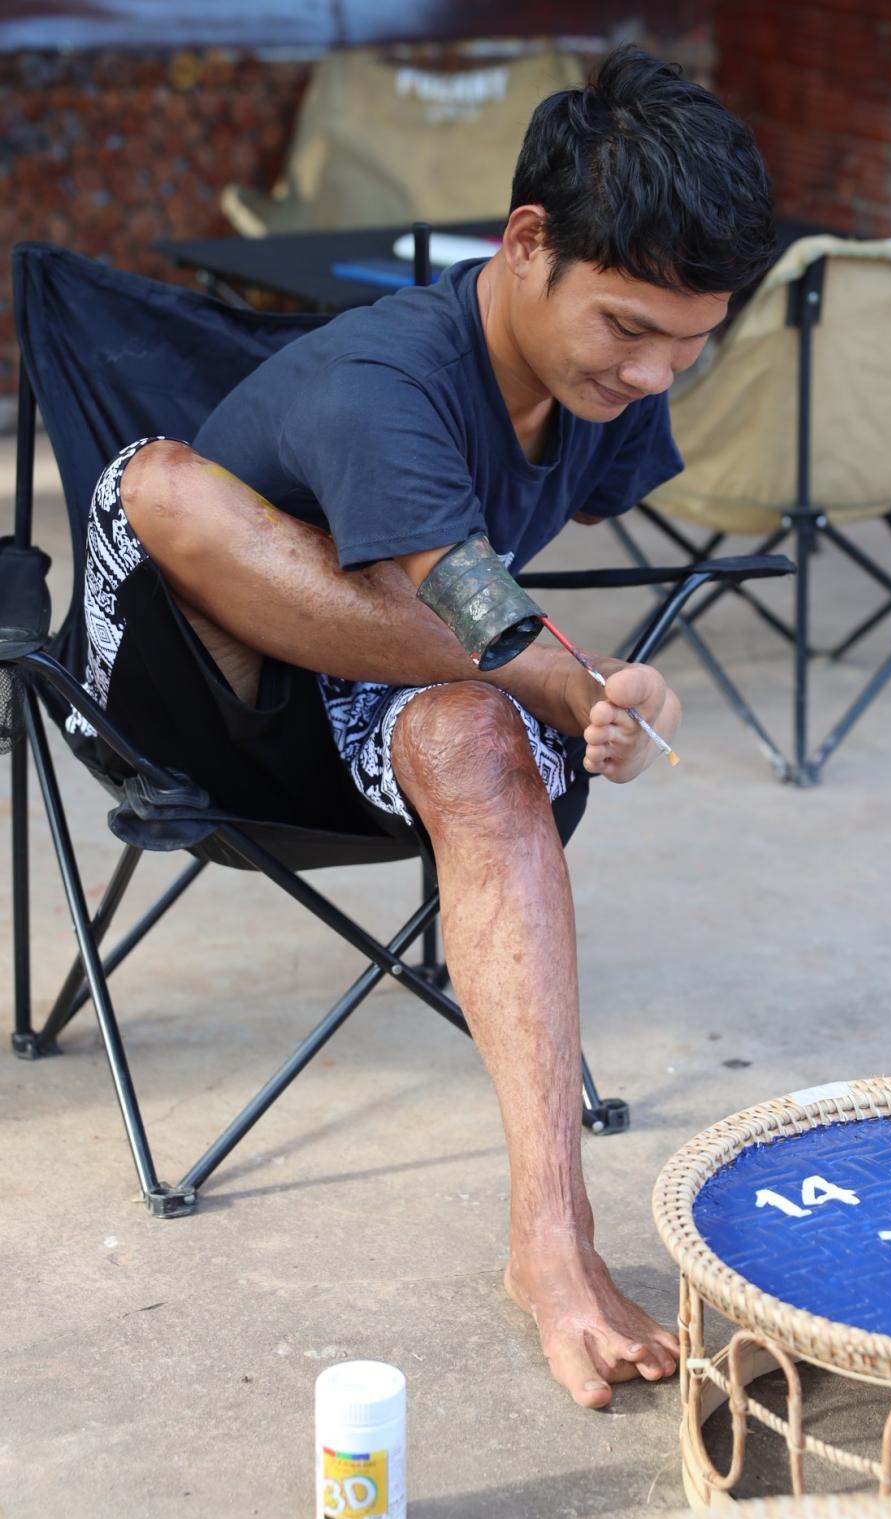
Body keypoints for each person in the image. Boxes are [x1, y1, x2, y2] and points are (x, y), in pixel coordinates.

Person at [72, 45, 775, 1408]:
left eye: (692, 344)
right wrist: (576, 677)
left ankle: (551, 1246)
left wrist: (593, 685)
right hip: (190, 701)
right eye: (629, 329)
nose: (652, 373)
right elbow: (466, 596)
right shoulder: (387, 377)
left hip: (371, 718)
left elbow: (469, 626)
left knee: (478, 738)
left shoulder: (612, 392)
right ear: (525, 244)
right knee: (161, 485)